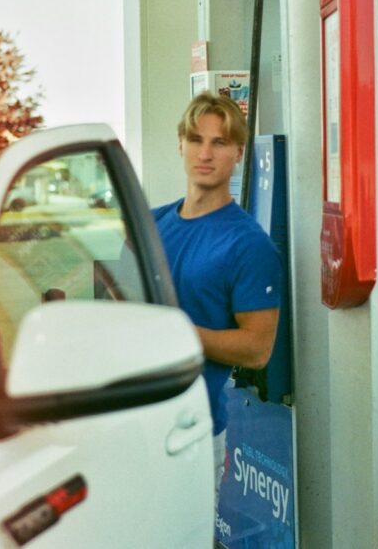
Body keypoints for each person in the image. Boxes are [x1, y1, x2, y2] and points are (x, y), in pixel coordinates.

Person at [152, 92, 282, 496]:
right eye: (195, 139)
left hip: (189, 434)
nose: (204, 153)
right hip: (134, 423)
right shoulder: (151, 225)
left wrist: (176, 333)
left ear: (239, 153)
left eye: (220, 142)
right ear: (180, 145)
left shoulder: (249, 245)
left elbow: (258, 349)